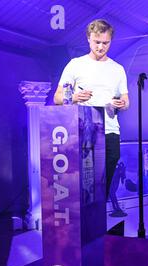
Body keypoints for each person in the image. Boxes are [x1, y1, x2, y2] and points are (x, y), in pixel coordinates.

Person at [53, 19, 129, 212]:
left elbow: (126, 101)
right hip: (82, 127)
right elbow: (57, 97)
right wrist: (75, 96)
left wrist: (121, 103)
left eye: (105, 43)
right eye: (97, 42)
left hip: (110, 128)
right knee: (83, 175)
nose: (101, 47)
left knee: (106, 174)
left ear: (111, 41)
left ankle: (97, 213)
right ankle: (82, 214)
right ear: (88, 39)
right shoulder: (75, 65)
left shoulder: (117, 69)